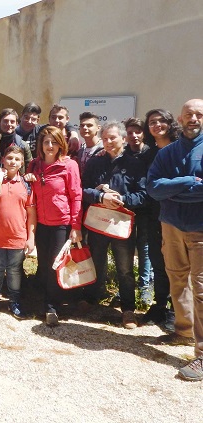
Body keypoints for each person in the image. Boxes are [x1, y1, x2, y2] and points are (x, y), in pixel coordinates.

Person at [147, 99, 203, 381]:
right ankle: (182, 331)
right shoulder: (168, 152)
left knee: (202, 287)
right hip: (171, 225)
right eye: (188, 114)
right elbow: (153, 187)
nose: (193, 118)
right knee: (177, 278)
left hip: (200, 228)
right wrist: (188, 183)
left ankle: (202, 354)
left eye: (198, 114)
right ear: (180, 119)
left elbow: (163, 189)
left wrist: (173, 189)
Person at [81, 121, 146, 329]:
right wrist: (100, 196)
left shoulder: (135, 164)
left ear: (124, 140)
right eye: (106, 138)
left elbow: (144, 195)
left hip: (121, 225)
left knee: (125, 269)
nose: (108, 142)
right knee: (96, 262)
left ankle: (128, 310)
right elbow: (82, 190)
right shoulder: (94, 163)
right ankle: (91, 300)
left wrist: (122, 200)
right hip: (98, 223)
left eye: (113, 138)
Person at [25, 126, 82, 326]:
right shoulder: (34, 165)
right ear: (40, 144)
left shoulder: (69, 165)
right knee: (43, 264)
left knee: (55, 265)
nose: (50, 146)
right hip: (41, 222)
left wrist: (76, 226)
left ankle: (52, 308)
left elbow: (76, 195)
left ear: (61, 144)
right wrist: (28, 177)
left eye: (54, 142)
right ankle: (44, 301)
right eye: (46, 142)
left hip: (61, 223)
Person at [0, 146, 36, 322]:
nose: (13, 161)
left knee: (14, 271)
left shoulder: (27, 185)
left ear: (22, 163)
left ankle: (14, 301)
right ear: (3, 160)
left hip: (17, 237)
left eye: (17, 159)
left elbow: (31, 214)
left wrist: (31, 237)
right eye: (9, 158)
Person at [141, 109, 180, 330]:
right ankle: (159, 306)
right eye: (152, 122)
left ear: (169, 123)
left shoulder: (178, 149)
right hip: (153, 215)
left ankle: (176, 311)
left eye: (161, 121)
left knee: (176, 264)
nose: (157, 125)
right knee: (158, 262)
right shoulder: (148, 153)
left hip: (176, 215)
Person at [123, 117, 152, 306]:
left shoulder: (151, 153)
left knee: (145, 250)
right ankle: (126, 290)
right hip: (127, 209)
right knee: (126, 249)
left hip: (147, 209)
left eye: (137, 131)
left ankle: (145, 291)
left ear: (143, 133)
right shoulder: (123, 154)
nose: (134, 135)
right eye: (130, 132)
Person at [0, 108, 32, 173]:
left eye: (12, 122)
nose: (9, 124)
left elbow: (30, 166)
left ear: (17, 124)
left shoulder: (22, 145)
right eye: (5, 121)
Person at [76, 112, 103, 176]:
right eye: (82, 125)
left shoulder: (105, 149)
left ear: (98, 128)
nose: (85, 128)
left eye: (89, 125)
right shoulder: (80, 150)